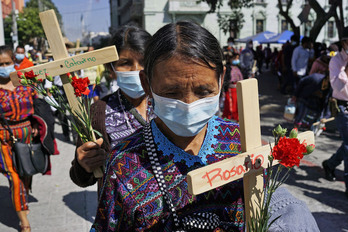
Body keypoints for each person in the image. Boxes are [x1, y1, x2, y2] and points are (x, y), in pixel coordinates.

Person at [91, 21, 319, 232]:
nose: (189, 104)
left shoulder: (242, 142)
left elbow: (263, 207)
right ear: (146, 84)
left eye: (203, 91)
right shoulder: (123, 163)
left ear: (220, 80)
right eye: (172, 93)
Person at [69, 25, 154, 189]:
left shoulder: (169, 102)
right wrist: (83, 165)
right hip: (120, 210)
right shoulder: (97, 112)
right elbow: (80, 177)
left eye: (143, 62)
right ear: (111, 69)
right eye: (126, 63)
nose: (136, 70)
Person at [0, 45, 37, 232]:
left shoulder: (25, 83)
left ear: (14, 61)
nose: (4, 67)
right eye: (0, 64)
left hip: (27, 135)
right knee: (14, 178)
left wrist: (38, 125)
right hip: (3, 138)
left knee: (26, 173)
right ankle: (24, 222)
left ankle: (23, 195)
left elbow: (39, 106)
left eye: (7, 63)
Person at [322, 27, 348, 199]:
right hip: (343, 107)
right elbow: (340, 87)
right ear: (344, 43)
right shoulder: (336, 61)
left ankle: (330, 164)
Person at [222, 52, 243, 121]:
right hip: (230, 90)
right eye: (235, 58)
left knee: (238, 105)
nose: (237, 60)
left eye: (237, 58)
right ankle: (228, 121)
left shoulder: (238, 67)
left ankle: (237, 120)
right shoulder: (227, 68)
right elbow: (225, 80)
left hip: (237, 89)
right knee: (230, 106)